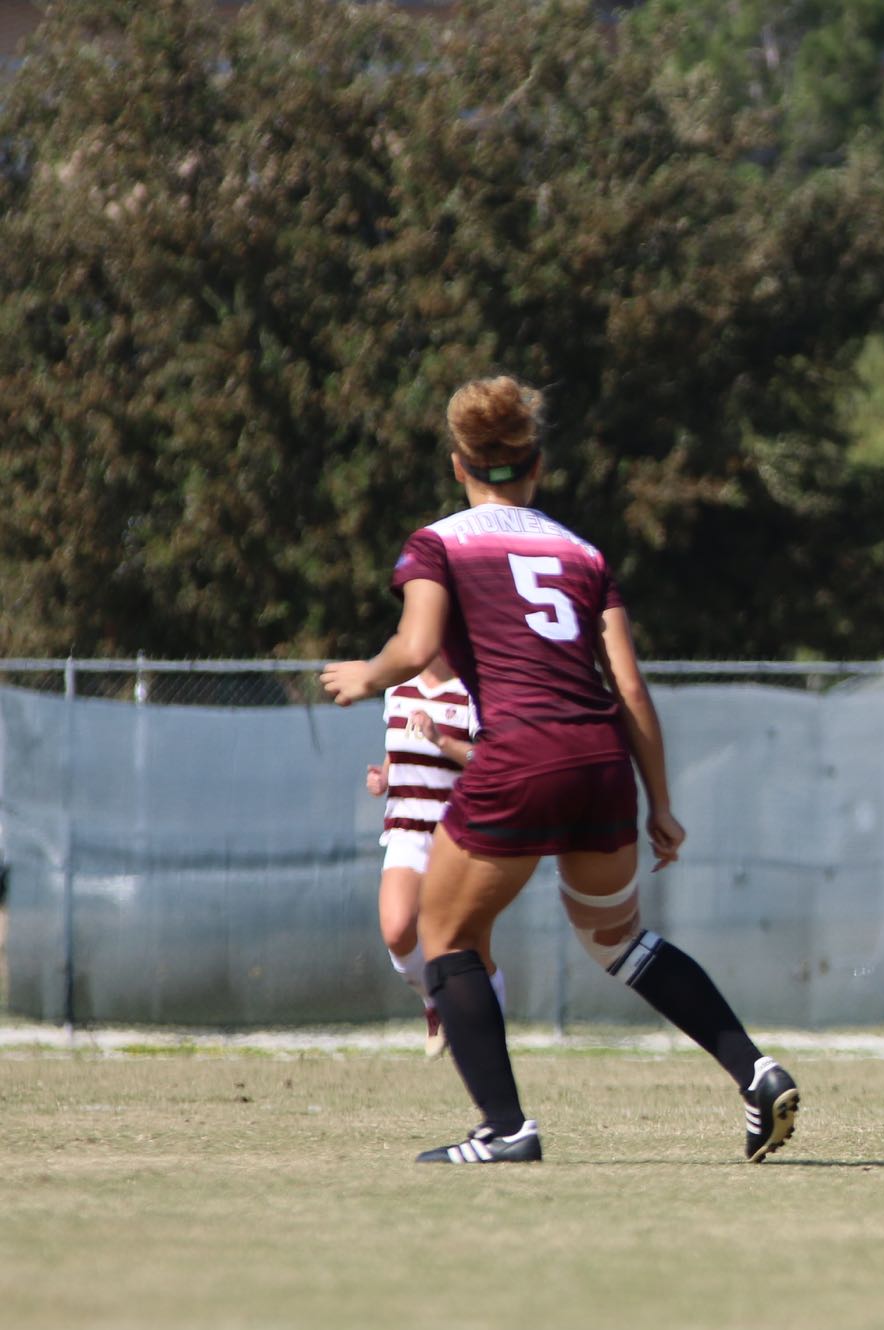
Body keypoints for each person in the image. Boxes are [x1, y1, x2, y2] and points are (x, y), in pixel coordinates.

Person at [320, 375, 798, 1165]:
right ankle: (755, 1071)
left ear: (458, 465)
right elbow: (630, 688)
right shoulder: (584, 554)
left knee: (445, 934)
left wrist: (362, 677)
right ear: (536, 465)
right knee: (619, 939)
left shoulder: (438, 542)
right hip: (602, 760)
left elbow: (414, 647)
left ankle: (505, 1130)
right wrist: (661, 804)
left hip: (520, 756)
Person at [365, 656, 501, 1057]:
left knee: (468, 947)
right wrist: (385, 775)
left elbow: (489, 760)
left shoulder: (473, 691)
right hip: (407, 830)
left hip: (456, 835)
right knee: (397, 931)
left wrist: (441, 740)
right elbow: (401, 746)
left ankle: (486, 1045)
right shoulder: (397, 689)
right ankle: (435, 1000)